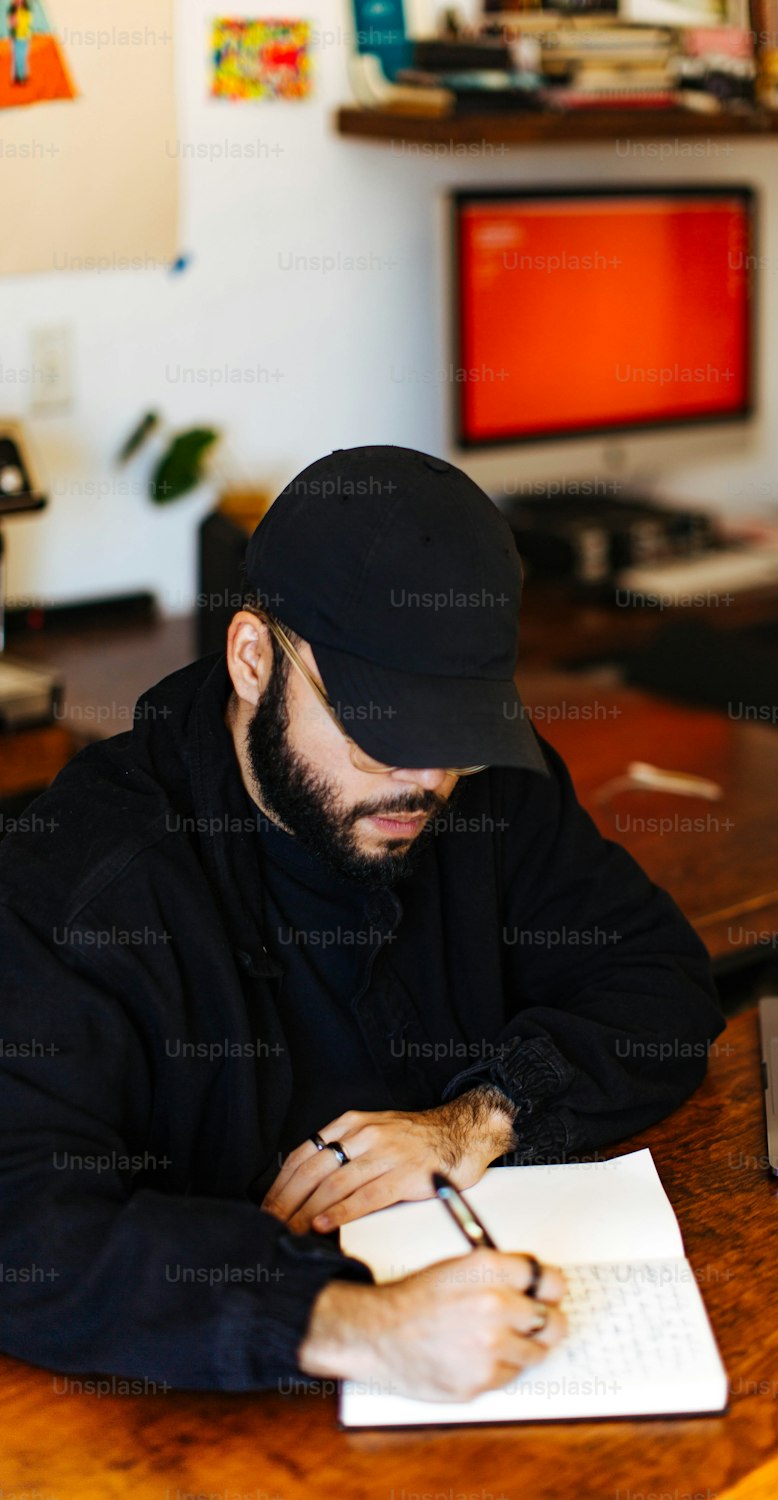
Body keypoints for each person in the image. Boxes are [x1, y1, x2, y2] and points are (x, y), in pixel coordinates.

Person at [0, 445, 724, 1397]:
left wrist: (479, 1116)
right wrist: (354, 1326)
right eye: (383, 729)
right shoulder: (89, 883)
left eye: (456, 733)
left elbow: (659, 979)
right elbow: (28, 1224)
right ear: (255, 658)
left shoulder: (481, 789)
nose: (424, 781)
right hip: (203, 1417)